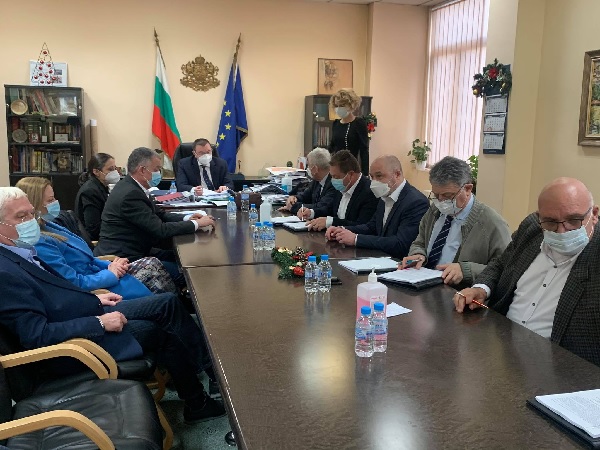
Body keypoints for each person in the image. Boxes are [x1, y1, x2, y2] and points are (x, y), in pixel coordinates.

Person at [0, 187, 225, 423]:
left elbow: (56, 293)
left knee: (166, 303)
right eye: (20, 217)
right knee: (158, 330)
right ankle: (200, 399)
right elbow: (36, 334)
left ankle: (211, 378)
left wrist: (95, 299)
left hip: (83, 311)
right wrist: (98, 322)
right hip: (71, 347)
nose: (30, 221)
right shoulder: (5, 272)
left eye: (31, 213)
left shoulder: (21, 250)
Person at [454, 177, 600, 367]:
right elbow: (501, 263)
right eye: (550, 222)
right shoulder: (532, 228)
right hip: (498, 345)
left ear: (594, 214)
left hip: (559, 367)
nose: (562, 231)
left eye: (574, 220)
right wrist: (481, 289)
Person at [16, 177, 152, 299]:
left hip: (103, 274)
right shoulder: (38, 241)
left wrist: (112, 265)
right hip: (99, 288)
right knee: (161, 296)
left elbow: (88, 259)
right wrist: (111, 273)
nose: (56, 202)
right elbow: (73, 282)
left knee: (154, 266)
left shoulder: (48, 224)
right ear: (34, 205)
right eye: (50, 200)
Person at [94, 147, 215, 283]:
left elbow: (160, 214)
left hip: (140, 248)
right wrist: (196, 224)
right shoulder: (130, 194)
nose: (159, 173)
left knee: (187, 258)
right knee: (189, 271)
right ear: (142, 170)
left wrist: (187, 218)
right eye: (157, 169)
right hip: (124, 260)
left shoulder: (133, 186)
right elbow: (160, 230)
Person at [400, 156, 511, 286]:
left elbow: (506, 269)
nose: (441, 201)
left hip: (459, 292)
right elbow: (420, 242)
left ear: (468, 189)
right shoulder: (435, 211)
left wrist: (466, 270)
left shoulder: (492, 223)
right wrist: (418, 254)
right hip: (423, 284)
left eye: (447, 196)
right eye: (436, 195)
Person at [326, 155, 428, 258]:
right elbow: (372, 227)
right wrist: (342, 230)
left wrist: (356, 239)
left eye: (379, 176)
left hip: (399, 262)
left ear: (397, 174)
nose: (374, 182)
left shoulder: (416, 202)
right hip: (380, 258)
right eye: (372, 177)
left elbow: (401, 244)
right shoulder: (385, 195)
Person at [306, 150, 378, 231]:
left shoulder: (369, 192)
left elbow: (362, 226)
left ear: (351, 175)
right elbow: (330, 208)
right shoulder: (343, 186)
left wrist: (331, 222)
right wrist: (312, 213)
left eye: (336, 177)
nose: (333, 180)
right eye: (332, 176)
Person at [279, 147, 339, 219]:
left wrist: (293, 207)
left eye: (308, 165)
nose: (307, 169)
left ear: (315, 169)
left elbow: (320, 207)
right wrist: (294, 199)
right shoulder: (317, 180)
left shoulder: (334, 183)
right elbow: (305, 196)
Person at [75, 153, 120, 241]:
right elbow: (93, 228)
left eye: (115, 168)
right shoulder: (90, 191)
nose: (115, 172)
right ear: (96, 172)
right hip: (95, 241)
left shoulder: (101, 187)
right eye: (110, 169)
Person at [328, 89, 369, 176]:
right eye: (336, 105)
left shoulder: (359, 123)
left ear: (351, 105)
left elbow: (364, 151)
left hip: (352, 169)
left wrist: (365, 174)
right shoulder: (336, 123)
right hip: (336, 169)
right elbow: (331, 147)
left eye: (342, 105)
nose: (338, 108)